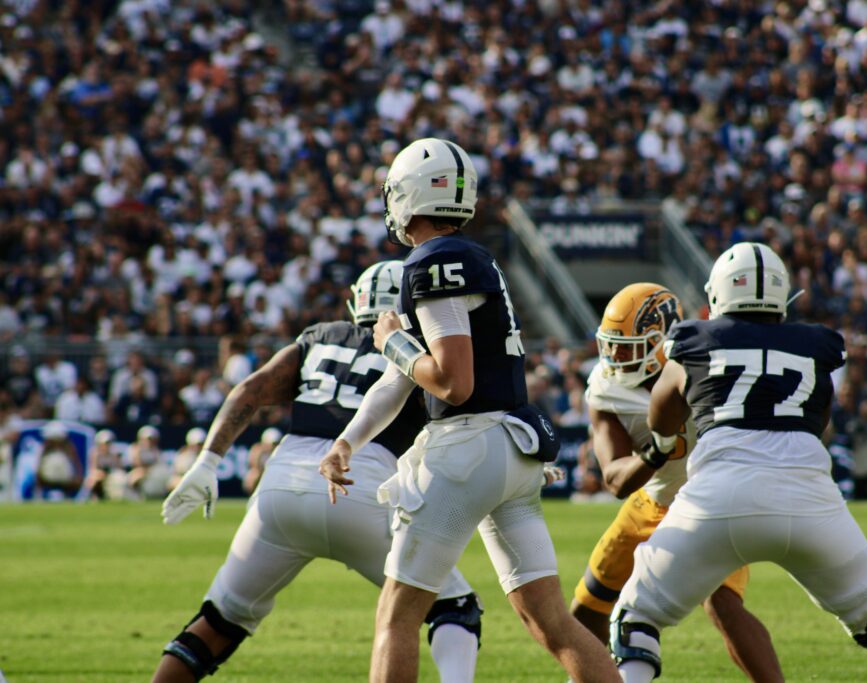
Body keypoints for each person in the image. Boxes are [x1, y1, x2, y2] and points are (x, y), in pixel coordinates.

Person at [319, 137, 620, 683]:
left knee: (397, 615)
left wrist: (391, 341)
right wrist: (348, 441)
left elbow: (453, 383)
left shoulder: (434, 260)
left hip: (466, 447)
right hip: (513, 448)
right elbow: (401, 379)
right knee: (549, 619)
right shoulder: (470, 257)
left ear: (407, 194)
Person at [609, 242, 867, 683]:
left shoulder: (695, 339)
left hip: (718, 499)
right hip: (811, 502)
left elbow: (662, 410)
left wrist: (665, 434)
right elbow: (819, 421)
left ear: (719, 295)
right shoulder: (815, 346)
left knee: (635, 620)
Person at [153, 261, 484, 683]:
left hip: (281, 488)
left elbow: (252, 389)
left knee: (219, 621)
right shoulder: (420, 349)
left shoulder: (320, 337)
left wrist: (208, 461)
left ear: (357, 301)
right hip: (364, 489)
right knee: (454, 607)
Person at [568, 283, 782, 682]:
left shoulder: (702, 366)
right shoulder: (605, 385)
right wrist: (655, 450)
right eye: (612, 345)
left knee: (722, 604)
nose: (616, 357)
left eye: (629, 346)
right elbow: (615, 478)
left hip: (710, 502)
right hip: (652, 499)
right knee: (584, 611)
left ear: (662, 341)